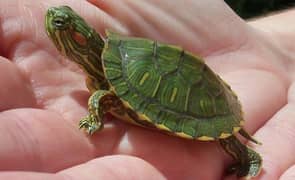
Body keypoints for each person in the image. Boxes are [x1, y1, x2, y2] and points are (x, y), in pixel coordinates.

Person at [0, 0, 294, 179]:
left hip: (202, 101)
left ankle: (244, 154)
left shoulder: (109, 75)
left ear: (79, 38)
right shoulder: (117, 54)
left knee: (104, 96)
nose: (52, 20)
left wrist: (94, 119)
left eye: (62, 23)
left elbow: (102, 97)